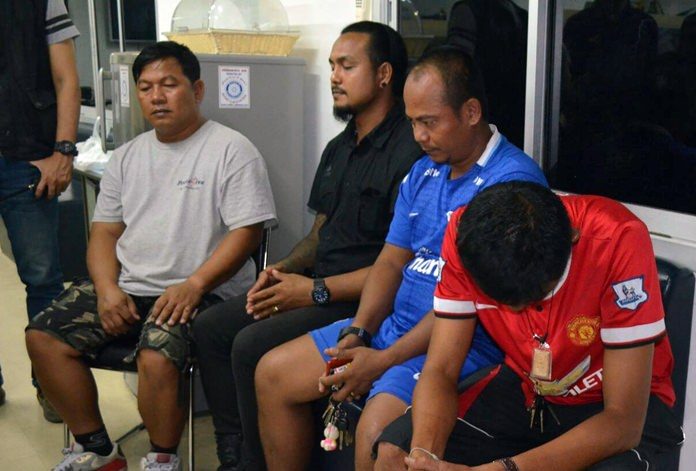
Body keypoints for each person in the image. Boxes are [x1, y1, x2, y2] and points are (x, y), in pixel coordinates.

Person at [255, 47, 548, 471]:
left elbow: (467, 306)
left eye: (429, 122)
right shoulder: (424, 171)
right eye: (412, 122)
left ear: (470, 112)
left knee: (376, 436)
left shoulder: (511, 183)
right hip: (395, 327)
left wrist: (383, 360)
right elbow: (391, 262)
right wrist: (359, 331)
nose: (419, 136)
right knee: (273, 374)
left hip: (462, 346)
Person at [25, 41, 276, 471]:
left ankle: (162, 458)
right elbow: (104, 233)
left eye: (169, 85)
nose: (157, 97)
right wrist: (106, 289)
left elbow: (247, 233)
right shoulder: (127, 156)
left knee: (157, 356)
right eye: (145, 87)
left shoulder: (232, 150)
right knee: (43, 338)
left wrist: (194, 285)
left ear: (197, 90)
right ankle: (98, 450)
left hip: (202, 293)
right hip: (128, 286)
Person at [192, 21, 423, 471]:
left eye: (347, 66)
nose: (334, 76)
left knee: (250, 344)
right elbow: (320, 232)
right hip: (317, 286)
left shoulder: (409, 151)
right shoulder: (339, 148)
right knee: (212, 327)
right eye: (333, 66)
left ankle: (256, 465)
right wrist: (283, 268)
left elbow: (400, 263)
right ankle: (234, 452)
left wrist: (312, 291)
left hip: (362, 299)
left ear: (384, 74)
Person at [374, 181, 683, 471]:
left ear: (572, 240)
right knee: (395, 454)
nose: (513, 311)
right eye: (501, 299)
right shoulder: (468, 235)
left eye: (532, 297)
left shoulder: (617, 237)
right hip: (529, 387)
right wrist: (425, 456)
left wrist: (506, 468)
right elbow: (441, 369)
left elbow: (623, 422)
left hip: (611, 404)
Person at [0, 0, 80, 415]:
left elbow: (66, 78)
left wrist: (63, 151)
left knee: (44, 279)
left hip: (27, 158)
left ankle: (51, 384)